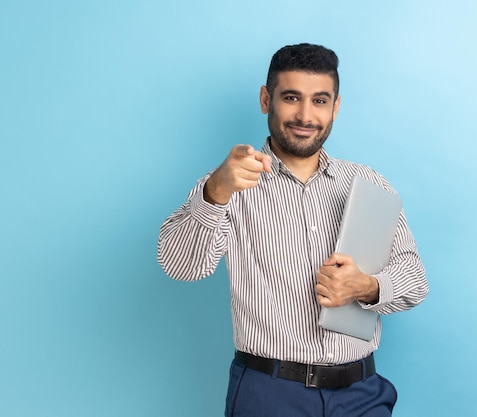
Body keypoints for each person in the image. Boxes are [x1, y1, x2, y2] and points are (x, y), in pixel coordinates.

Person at [157, 43, 429, 417]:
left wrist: (367, 286)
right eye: (291, 97)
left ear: (335, 107)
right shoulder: (227, 185)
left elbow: (414, 278)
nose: (305, 115)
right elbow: (181, 267)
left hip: (362, 394)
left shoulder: (368, 183)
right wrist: (216, 191)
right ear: (266, 99)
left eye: (319, 101)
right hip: (270, 393)